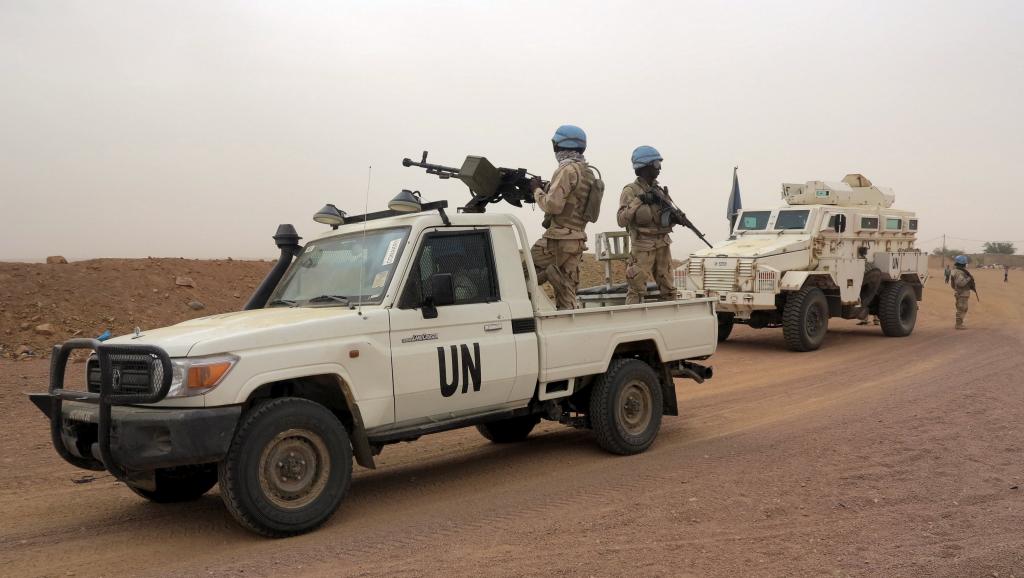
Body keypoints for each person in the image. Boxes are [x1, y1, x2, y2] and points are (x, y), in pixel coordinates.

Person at [528, 125, 598, 310]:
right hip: (576, 240)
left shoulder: (567, 170)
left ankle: (550, 274)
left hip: (557, 240)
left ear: (558, 146)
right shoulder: (588, 173)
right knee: (567, 297)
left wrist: (536, 190)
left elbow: (553, 205)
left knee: (521, 278)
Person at [616, 146, 678, 304]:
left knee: (669, 290)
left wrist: (675, 218)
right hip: (642, 246)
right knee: (636, 291)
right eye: (656, 164)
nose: (660, 168)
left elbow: (665, 218)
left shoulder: (659, 190)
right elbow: (621, 220)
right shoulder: (631, 191)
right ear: (645, 167)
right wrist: (640, 200)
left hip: (662, 244)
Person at [949, 255, 974, 330]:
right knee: (962, 308)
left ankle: (959, 323)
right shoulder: (959, 272)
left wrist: (956, 290)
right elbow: (961, 283)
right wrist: (969, 278)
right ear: (963, 263)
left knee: (961, 308)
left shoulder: (955, 271)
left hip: (959, 292)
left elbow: (953, 284)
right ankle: (958, 324)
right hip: (962, 293)